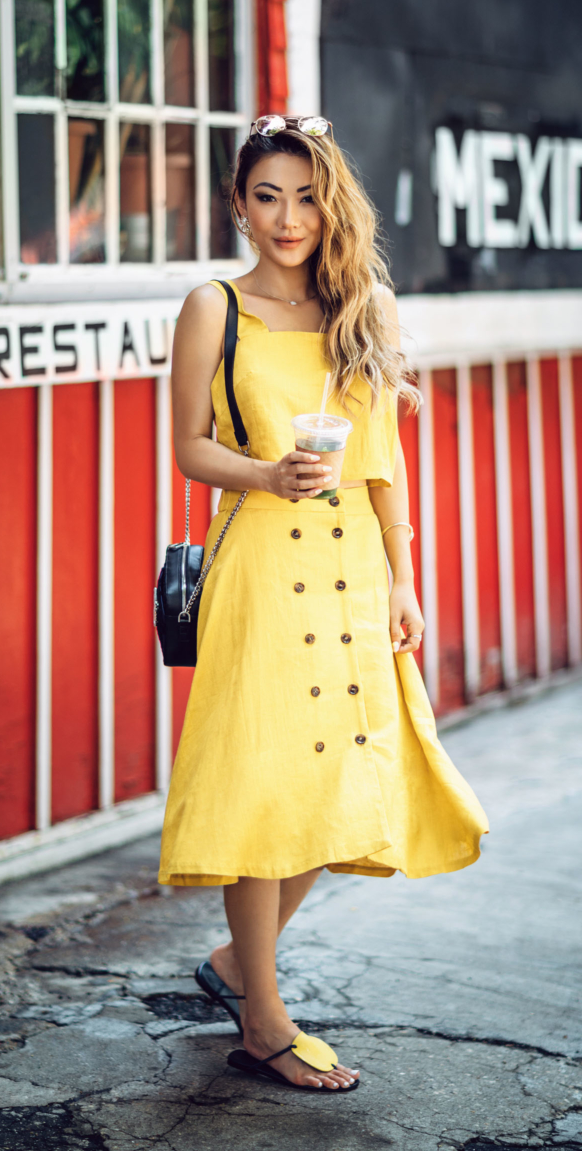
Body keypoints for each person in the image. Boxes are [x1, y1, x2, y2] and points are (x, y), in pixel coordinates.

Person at [160, 115, 488, 1092]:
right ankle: (262, 1017)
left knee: (348, 774)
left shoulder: (365, 305)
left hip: (352, 571)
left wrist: (405, 575)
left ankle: (233, 966)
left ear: (329, 200)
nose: (288, 217)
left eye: (305, 195)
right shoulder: (213, 306)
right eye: (267, 196)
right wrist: (264, 474)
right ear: (239, 204)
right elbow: (188, 448)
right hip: (259, 569)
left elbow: (384, 457)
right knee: (263, 778)